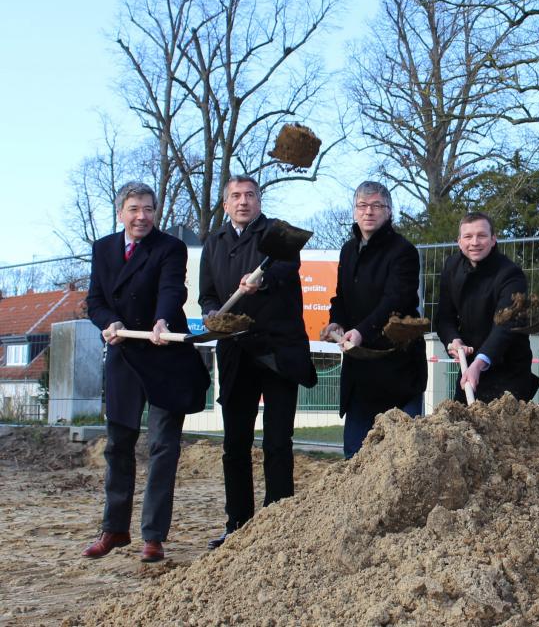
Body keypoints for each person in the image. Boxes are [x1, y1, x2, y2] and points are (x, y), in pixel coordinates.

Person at [83, 182, 210, 563]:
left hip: (163, 354)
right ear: (121, 211)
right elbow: (95, 301)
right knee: (118, 445)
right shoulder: (103, 249)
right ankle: (114, 529)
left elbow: (172, 290)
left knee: (162, 447)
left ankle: (153, 536)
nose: (142, 216)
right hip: (123, 356)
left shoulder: (169, 247)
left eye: (149, 209)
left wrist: (160, 320)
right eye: (135, 209)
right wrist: (110, 322)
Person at [199, 175, 317, 550]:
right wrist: (213, 312)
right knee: (235, 444)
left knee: (277, 441)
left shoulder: (277, 235)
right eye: (235, 196)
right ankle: (237, 524)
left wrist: (261, 281)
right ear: (225, 204)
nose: (243, 201)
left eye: (250, 195)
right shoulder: (214, 244)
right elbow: (207, 294)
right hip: (235, 351)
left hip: (277, 352)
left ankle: (279, 522)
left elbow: (285, 270)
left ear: (259, 201)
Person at [320, 181, 427, 458]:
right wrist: (336, 322)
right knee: (355, 459)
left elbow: (396, 300)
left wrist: (361, 331)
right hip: (360, 375)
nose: (369, 211)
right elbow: (341, 297)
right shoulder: (348, 250)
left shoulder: (403, 251)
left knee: (404, 460)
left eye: (377, 205)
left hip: (398, 370)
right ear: (354, 212)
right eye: (363, 206)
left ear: (389, 212)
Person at [436, 212, 539, 403]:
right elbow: (444, 317)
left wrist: (480, 362)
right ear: (459, 241)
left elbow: (505, 326)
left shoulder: (510, 274)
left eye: (481, 235)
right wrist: (453, 340)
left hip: (508, 369)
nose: (474, 242)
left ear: (493, 239)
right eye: (468, 236)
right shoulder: (452, 267)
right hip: (469, 367)